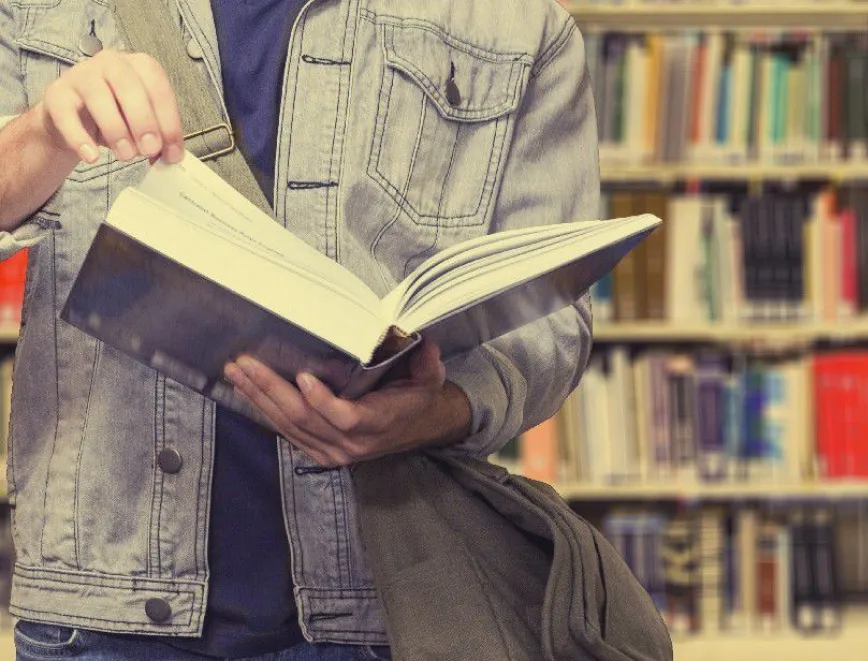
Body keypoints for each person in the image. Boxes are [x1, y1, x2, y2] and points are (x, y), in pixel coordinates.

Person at [0, 0, 598, 658]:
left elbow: (551, 317)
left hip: (385, 606)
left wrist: (442, 409)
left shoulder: (517, 27)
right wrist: (42, 136)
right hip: (100, 611)